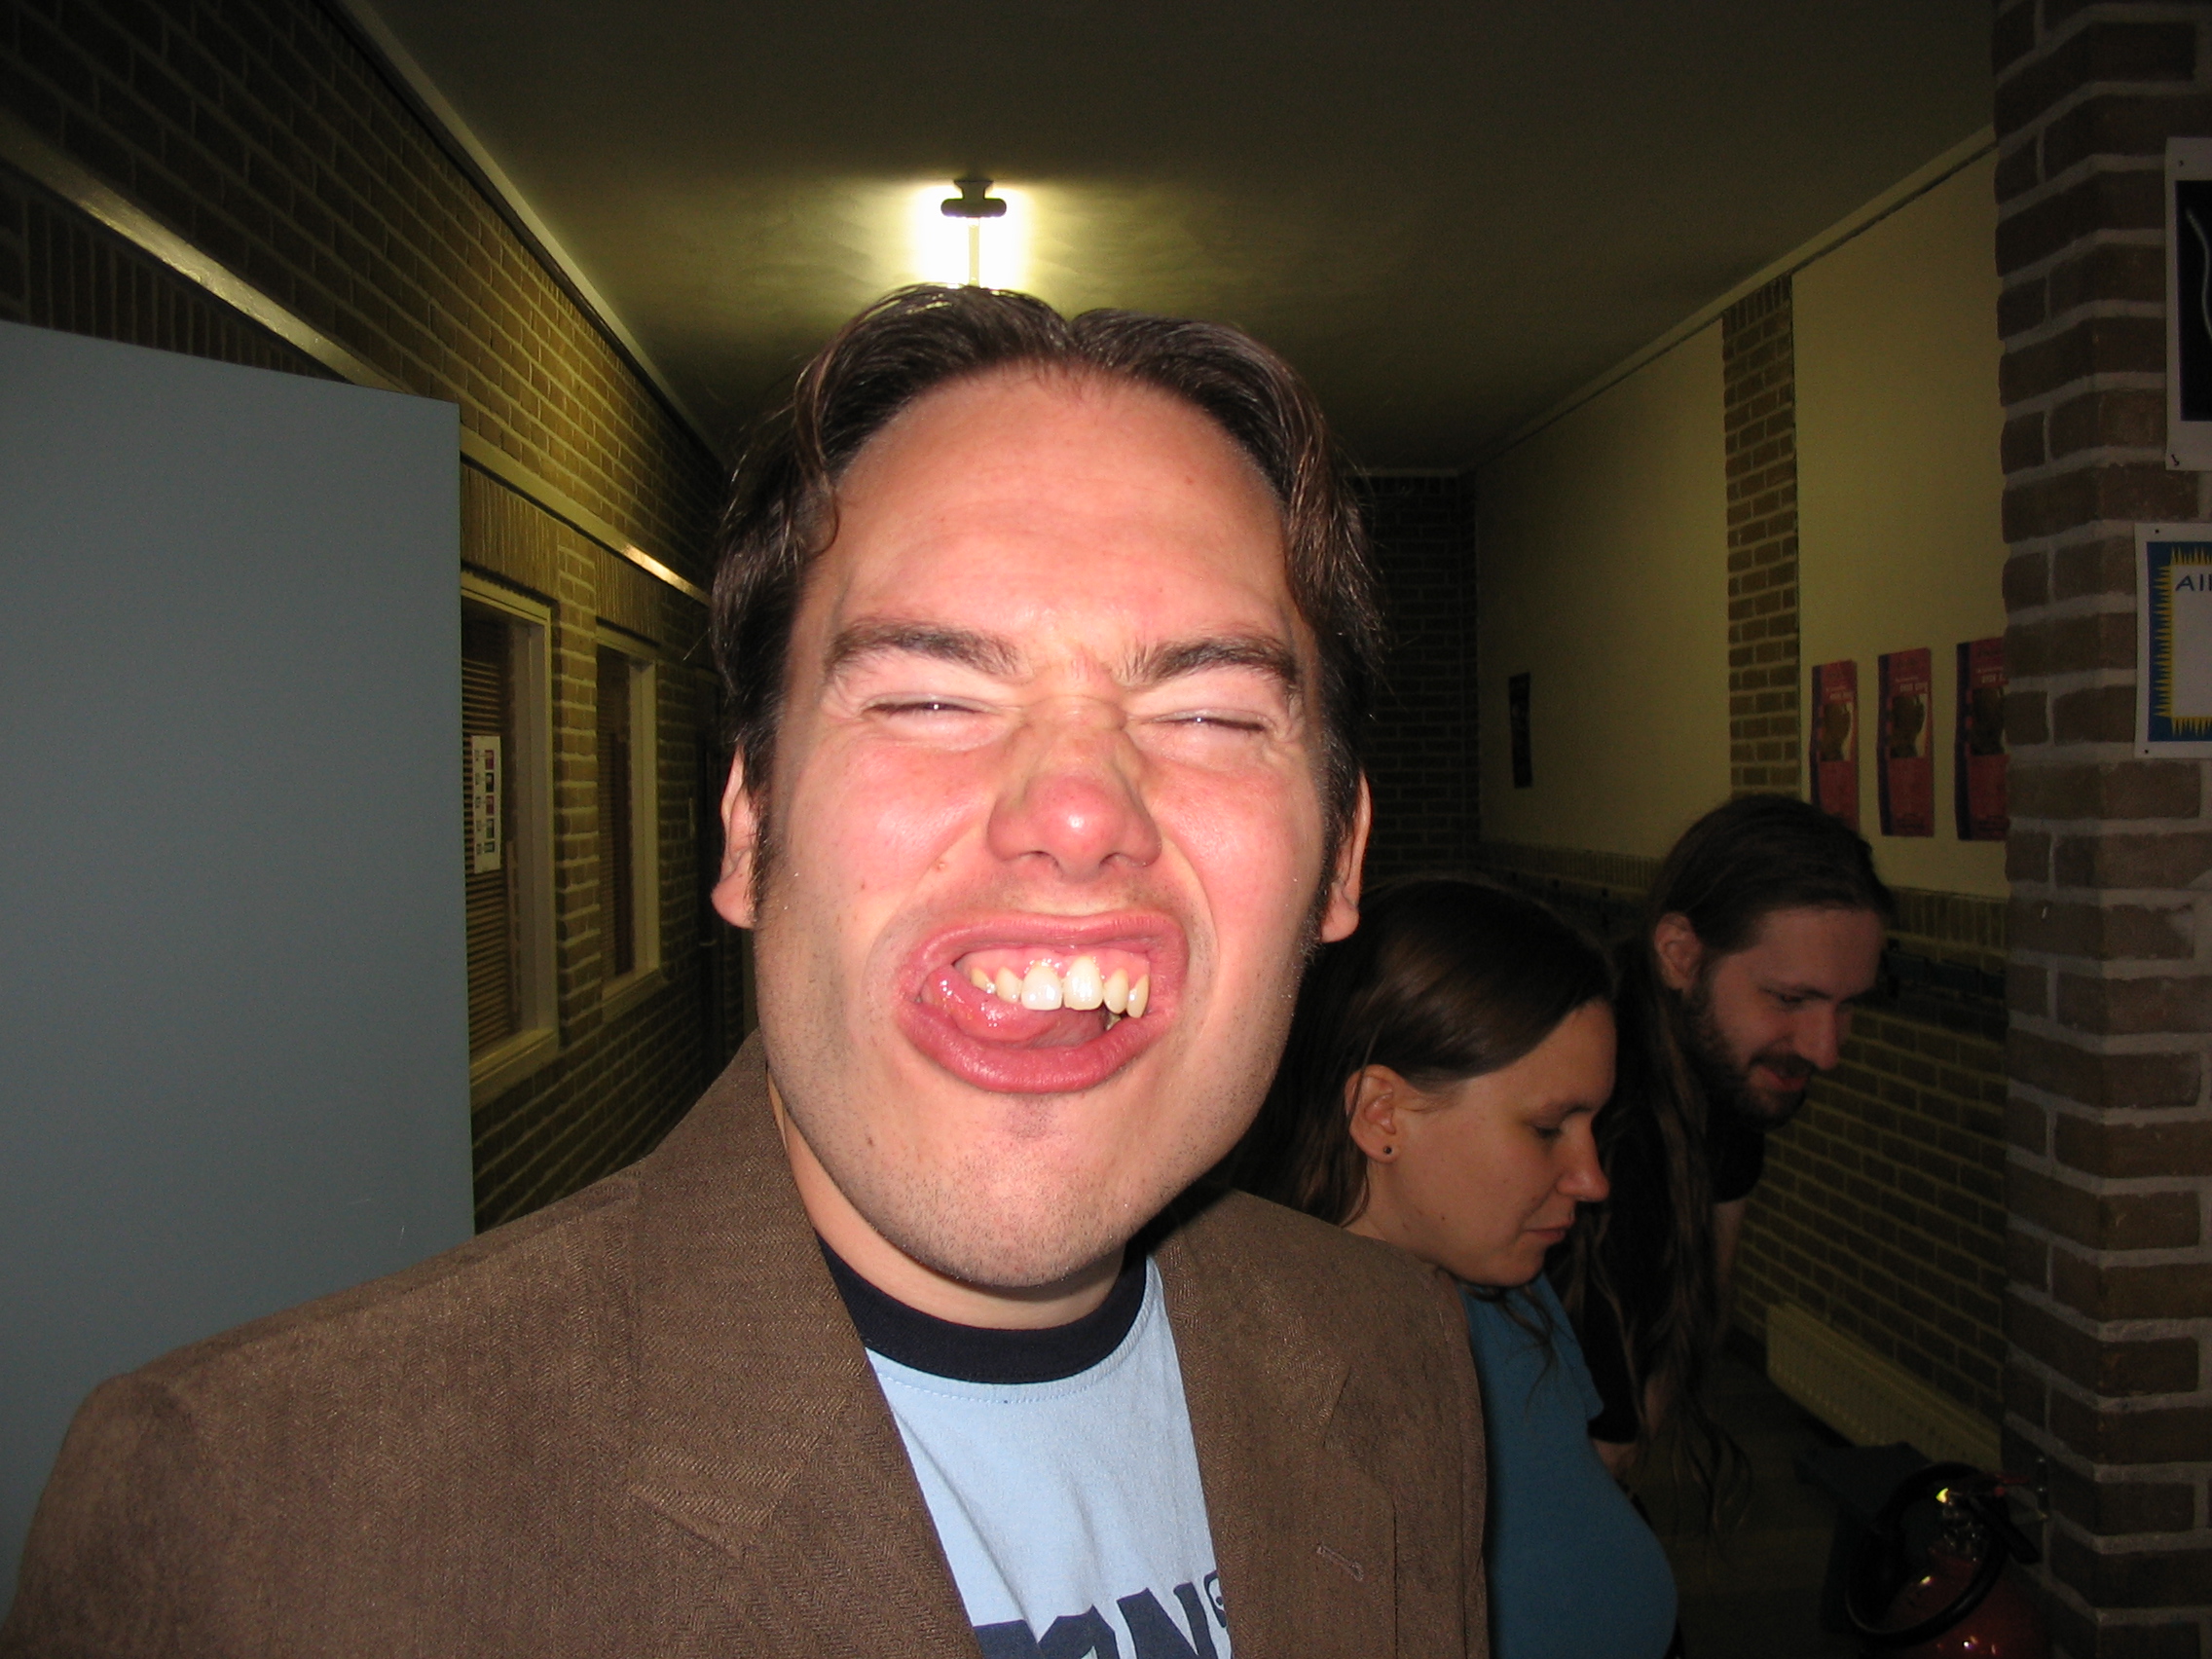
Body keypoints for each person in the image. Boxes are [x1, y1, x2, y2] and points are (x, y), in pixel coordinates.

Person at [2, 287, 1491, 1656]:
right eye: (929, 696)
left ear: (1340, 861)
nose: (1078, 812)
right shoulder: (257, 1526)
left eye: (1213, 716)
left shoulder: (1400, 1353)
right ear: (748, 826)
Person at [1233, 876, 1678, 1659]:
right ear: (1382, 1114)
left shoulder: (1510, 1294)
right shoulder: (1278, 1375)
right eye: (1549, 1128)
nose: (1592, 1179)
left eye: (1593, 1124)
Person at [1557, 793, 1892, 1486]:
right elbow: (1604, 1449)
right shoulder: (1602, 1120)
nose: (1826, 1050)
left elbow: (1702, 1307)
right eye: (1790, 999)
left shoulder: (1722, 1076)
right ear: (1680, 955)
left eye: (1847, 1005)